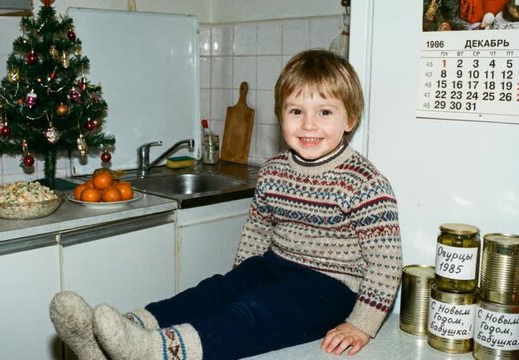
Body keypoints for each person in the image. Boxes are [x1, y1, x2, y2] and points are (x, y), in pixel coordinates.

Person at [49, 49, 403, 360]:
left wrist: (362, 324)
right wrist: (241, 278)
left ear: (350, 120)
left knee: (250, 313)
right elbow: (258, 228)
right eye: (297, 110)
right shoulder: (274, 170)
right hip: (274, 266)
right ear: (281, 116)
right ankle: (112, 337)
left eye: (325, 112)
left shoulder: (364, 181)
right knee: (214, 292)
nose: (309, 124)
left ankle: (157, 352)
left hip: (331, 288)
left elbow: (386, 264)